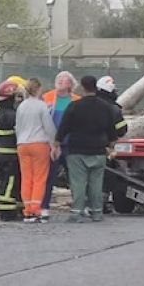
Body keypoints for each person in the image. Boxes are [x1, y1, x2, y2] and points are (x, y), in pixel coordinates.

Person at [57, 75, 117, 223]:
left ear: (82, 88)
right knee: (96, 183)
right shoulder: (105, 107)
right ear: (95, 87)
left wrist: (56, 142)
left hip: (77, 150)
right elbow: (112, 130)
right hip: (98, 150)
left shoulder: (75, 106)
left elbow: (64, 127)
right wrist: (110, 146)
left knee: (78, 183)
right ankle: (97, 212)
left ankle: (76, 213)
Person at [15, 78, 59, 223]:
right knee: (40, 178)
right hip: (39, 143)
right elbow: (49, 127)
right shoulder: (41, 106)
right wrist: (54, 145)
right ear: (38, 89)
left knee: (26, 178)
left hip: (23, 144)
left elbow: (18, 127)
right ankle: (36, 209)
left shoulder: (21, 106)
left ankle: (27, 210)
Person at [40, 71, 80, 221]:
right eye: (58, 79)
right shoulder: (47, 97)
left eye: (64, 80)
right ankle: (44, 207)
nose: (60, 82)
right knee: (48, 177)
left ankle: (80, 205)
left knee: (75, 177)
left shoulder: (77, 101)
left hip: (71, 144)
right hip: (51, 144)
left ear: (70, 84)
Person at [0, 80, 22, 221]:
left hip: (0, 151)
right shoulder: (11, 114)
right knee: (10, 181)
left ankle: (11, 206)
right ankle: (7, 210)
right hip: (11, 152)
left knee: (4, 179)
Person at [97, 76, 129, 214]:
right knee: (107, 176)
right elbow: (121, 130)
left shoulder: (89, 103)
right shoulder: (114, 109)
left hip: (83, 147)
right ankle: (101, 204)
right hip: (105, 148)